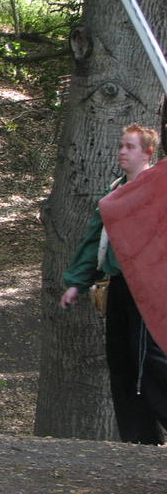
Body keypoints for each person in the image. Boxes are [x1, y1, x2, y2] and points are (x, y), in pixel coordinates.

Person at [60, 123, 167, 445]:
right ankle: (139, 440)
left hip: (150, 286)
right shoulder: (115, 193)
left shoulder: (158, 188)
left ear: (148, 152)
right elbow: (95, 241)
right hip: (119, 285)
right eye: (121, 145)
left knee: (149, 360)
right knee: (122, 362)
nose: (122, 152)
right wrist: (76, 283)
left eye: (130, 146)